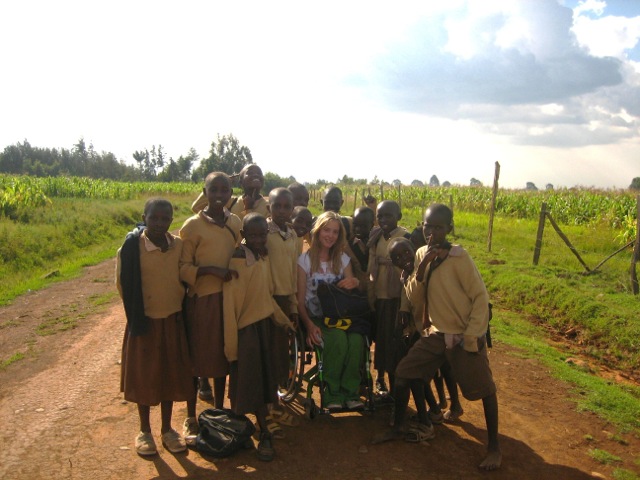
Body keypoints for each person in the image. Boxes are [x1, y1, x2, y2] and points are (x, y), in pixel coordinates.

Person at [373, 203, 501, 471]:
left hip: (461, 334)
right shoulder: (420, 253)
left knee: (484, 390)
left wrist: (472, 336)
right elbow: (414, 296)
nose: (431, 232)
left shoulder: (459, 258)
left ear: (449, 229)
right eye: (427, 226)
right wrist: (421, 270)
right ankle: (398, 426)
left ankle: (494, 448)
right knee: (404, 373)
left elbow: (480, 299)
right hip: (435, 335)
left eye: (438, 227)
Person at [117, 198, 193, 456]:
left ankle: (167, 429)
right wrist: (138, 315)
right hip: (145, 322)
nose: (160, 223)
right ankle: (144, 430)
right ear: (144, 218)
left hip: (171, 320)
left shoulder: (178, 245)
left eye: (165, 218)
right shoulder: (131, 248)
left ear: (172, 220)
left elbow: (183, 276)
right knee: (145, 376)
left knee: (169, 375)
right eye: (154, 218)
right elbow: (123, 285)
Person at [222, 213, 293, 462]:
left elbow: (264, 297)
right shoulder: (239, 259)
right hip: (246, 330)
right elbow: (230, 306)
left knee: (263, 380)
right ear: (243, 235)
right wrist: (231, 346)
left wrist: (283, 321)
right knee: (246, 381)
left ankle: (259, 430)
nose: (259, 239)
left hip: (263, 326)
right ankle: (255, 432)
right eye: (252, 234)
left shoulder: (262, 256)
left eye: (263, 234)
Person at [179, 172, 242, 444]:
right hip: (202, 302)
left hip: (228, 302)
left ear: (230, 193)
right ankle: (191, 416)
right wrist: (211, 271)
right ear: (204, 192)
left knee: (222, 358)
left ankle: (218, 411)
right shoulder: (192, 227)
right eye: (213, 190)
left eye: (224, 190)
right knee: (196, 361)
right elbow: (182, 269)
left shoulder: (235, 222)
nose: (219, 195)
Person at [297, 211, 363, 410]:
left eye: (335, 232)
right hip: (316, 317)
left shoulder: (343, 260)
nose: (330, 235)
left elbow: (350, 294)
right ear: (317, 232)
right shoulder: (304, 261)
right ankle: (332, 392)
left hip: (341, 315)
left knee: (357, 340)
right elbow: (299, 302)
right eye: (326, 230)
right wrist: (308, 326)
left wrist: (355, 281)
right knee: (337, 340)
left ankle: (351, 392)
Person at [265, 188, 301, 431]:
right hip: (267, 300)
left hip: (286, 300)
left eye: (286, 207)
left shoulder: (293, 236)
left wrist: (295, 305)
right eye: (277, 206)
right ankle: (267, 408)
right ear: (269, 206)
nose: (281, 211)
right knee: (268, 353)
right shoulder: (263, 231)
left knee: (281, 354)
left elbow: (294, 272)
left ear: (292, 209)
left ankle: (275, 402)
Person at [367, 200, 410, 398]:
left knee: (393, 344)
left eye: (389, 215)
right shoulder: (376, 237)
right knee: (381, 342)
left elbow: (409, 273)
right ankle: (380, 378)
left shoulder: (405, 237)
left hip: (397, 298)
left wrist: (404, 304)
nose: (384, 220)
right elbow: (370, 266)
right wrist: (370, 296)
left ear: (398, 216)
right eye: (380, 216)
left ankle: (395, 391)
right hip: (380, 297)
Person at [191, 164, 269, 219]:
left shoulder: (269, 206)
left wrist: (248, 209)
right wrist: (222, 181)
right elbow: (197, 207)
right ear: (241, 182)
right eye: (250, 173)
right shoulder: (231, 202)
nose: (256, 175)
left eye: (259, 173)